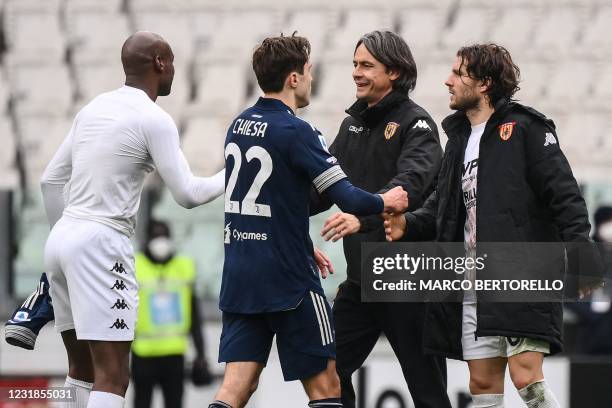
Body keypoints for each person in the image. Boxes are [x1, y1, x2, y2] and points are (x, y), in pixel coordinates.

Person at [383, 43, 597, 408]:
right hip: (471, 278)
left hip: (524, 271)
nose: (447, 81)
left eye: (457, 73)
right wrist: (410, 224)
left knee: (527, 377)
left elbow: (566, 197)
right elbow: (443, 206)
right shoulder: (459, 140)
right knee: (482, 383)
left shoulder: (527, 129)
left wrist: (582, 261)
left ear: (484, 83)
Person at [209, 34, 408, 408]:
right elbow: (347, 197)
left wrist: (297, 239)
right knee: (326, 387)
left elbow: (270, 201)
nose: (312, 80)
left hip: (240, 277)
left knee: (236, 388)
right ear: (294, 78)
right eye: (309, 71)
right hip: (289, 282)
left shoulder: (238, 125)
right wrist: (387, 200)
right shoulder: (298, 131)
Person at [41, 31, 225, 408]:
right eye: (171, 61)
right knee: (113, 376)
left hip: (60, 239)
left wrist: (63, 238)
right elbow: (188, 194)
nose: (174, 70)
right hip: (101, 242)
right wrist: (234, 171)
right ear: (159, 63)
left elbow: (49, 181)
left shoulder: (92, 108)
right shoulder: (153, 118)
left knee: (80, 369)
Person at [309, 31, 451, 408]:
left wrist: (363, 216)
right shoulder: (351, 125)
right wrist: (275, 208)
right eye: (355, 64)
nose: (356, 72)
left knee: (428, 392)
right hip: (360, 281)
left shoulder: (417, 124)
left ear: (394, 72)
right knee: (326, 368)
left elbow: (412, 187)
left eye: (366, 65)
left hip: (407, 278)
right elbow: (323, 188)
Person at [131, 219, 212, 408]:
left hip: (175, 354)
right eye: (156, 236)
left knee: (175, 404)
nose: (161, 241)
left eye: (164, 236)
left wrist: (201, 354)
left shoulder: (184, 266)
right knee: (141, 403)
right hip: (142, 354)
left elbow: (194, 315)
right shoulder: (134, 265)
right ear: (147, 239)